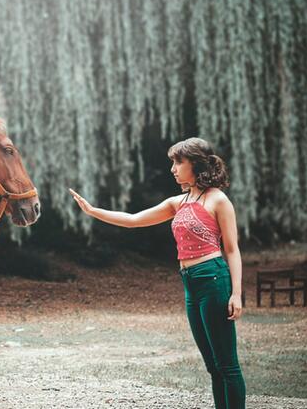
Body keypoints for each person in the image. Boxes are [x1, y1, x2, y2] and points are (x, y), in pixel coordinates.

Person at [69, 137, 246, 409]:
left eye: (178, 162)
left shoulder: (217, 200)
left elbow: (232, 250)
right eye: (172, 163)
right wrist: (93, 211)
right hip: (191, 285)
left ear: (196, 164)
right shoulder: (178, 202)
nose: (173, 169)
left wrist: (236, 294)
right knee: (212, 366)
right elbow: (133, 220)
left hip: (213, 279)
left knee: (227, 365)